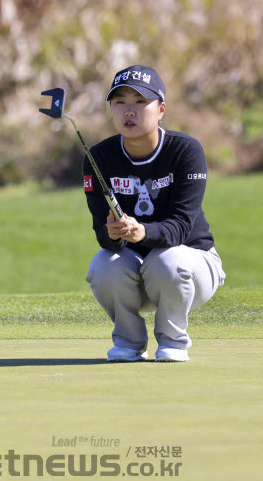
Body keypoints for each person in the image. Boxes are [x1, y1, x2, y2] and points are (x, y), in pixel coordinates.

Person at [83, 65, 225, 362]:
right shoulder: (98, 158)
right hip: (136, 272)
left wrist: (143, 232)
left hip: (192, 266)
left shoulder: (186, 151)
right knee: (103, 265)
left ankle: (173, 341)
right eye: (119, 102)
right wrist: (110, 235)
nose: (128, 111)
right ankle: (128, 342)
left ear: (161, 109)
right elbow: (102, 234)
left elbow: (181, 227)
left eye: (139, 102)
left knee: (167, 260)